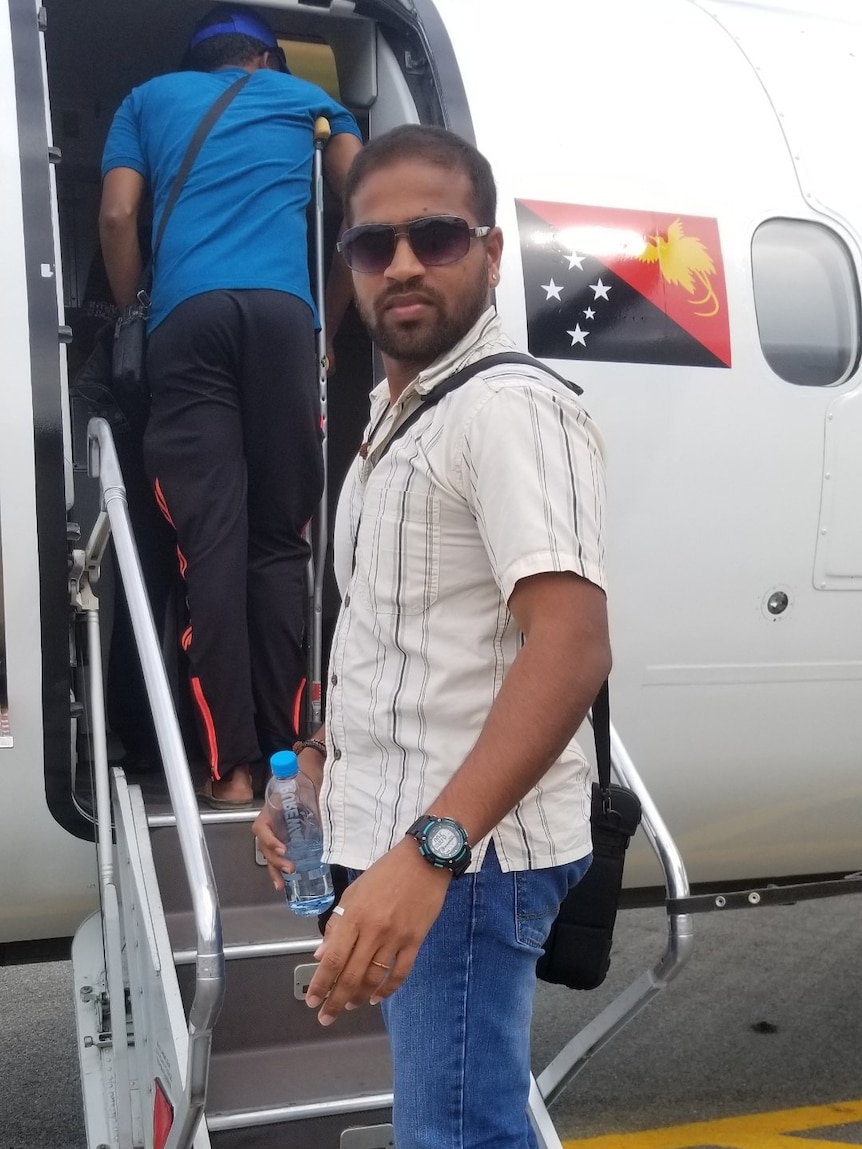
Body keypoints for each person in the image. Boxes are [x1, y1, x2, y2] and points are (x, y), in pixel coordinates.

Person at [253, 124, 611, 1148]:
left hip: (468, 859)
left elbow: (570, 645)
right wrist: (319, 764)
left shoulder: (508, 409)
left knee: (457, 1132)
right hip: (405, 835)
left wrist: (429, 855)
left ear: (490, 253)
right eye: (374, 245)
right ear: (350, 268)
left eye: (436, 237)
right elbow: (399, 632)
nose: (402, 264)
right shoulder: (389, 417)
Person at [98, 4, 363, 806]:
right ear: (267, 60)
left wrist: (134, 311)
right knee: (280, 543)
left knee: (208, 541)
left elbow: (116, 214)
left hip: (188, 322)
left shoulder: (146, 99)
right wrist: (329, 323)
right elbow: (365, 211)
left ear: (200, 61)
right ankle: (289, 755)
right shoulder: (309, 105)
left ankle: (230, 769)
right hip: (285, 318)